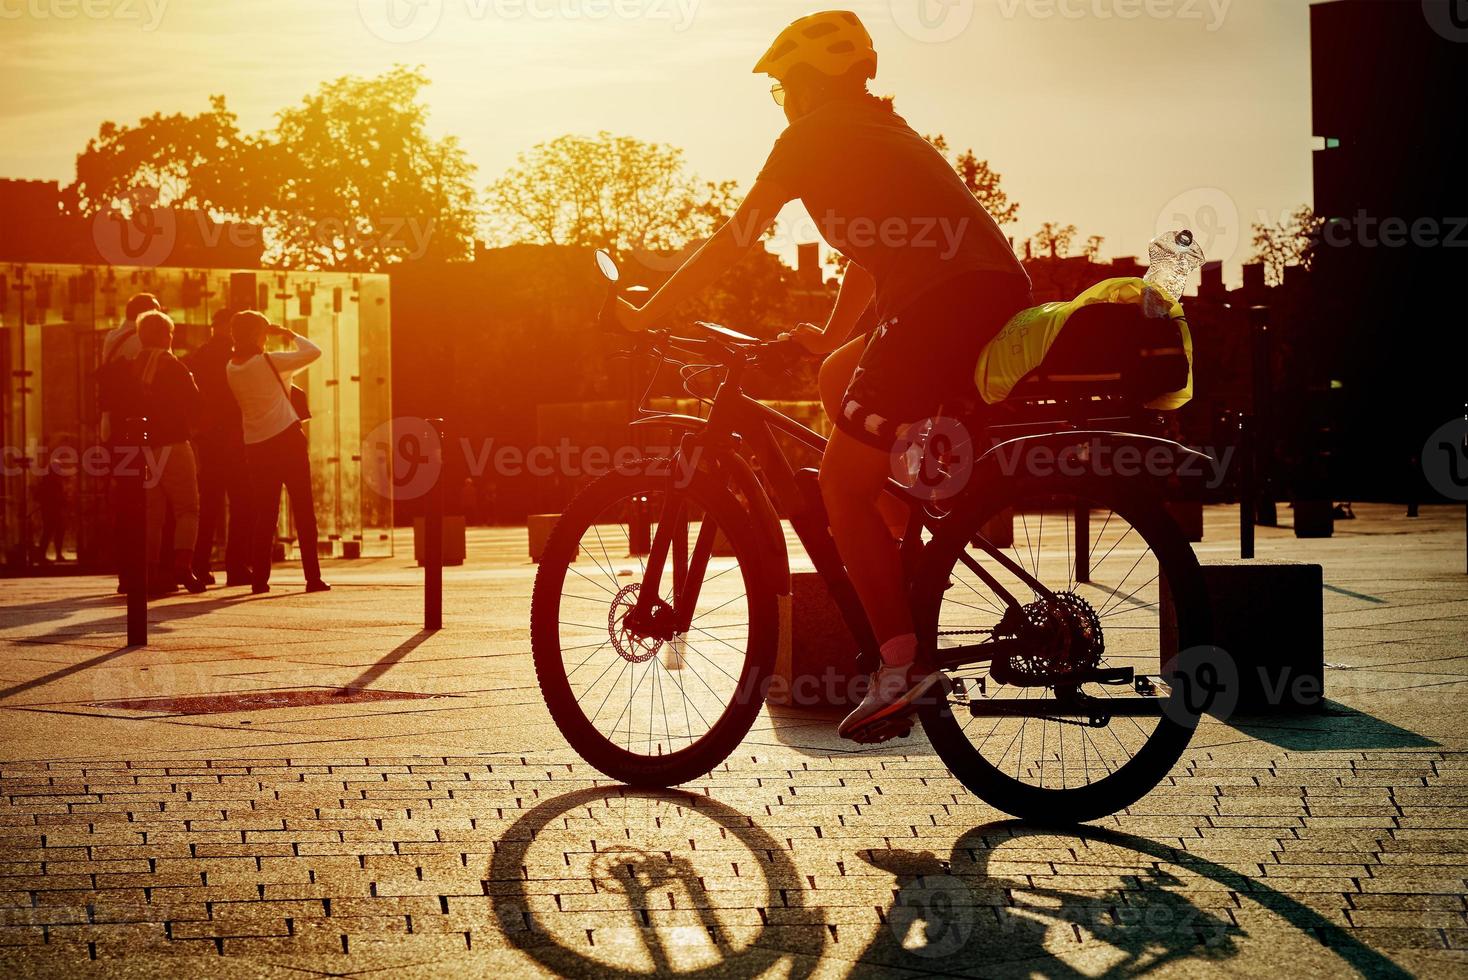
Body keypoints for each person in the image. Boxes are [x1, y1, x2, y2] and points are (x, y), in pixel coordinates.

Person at [612, 10, 1033, 741]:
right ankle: (910, 537)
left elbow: (733, 239)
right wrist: (833, 337)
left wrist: (652, 310)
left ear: (807, 82)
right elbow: (871, 254)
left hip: (944, 304)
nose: (782, 101)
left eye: (782, 87)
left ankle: (901, 665)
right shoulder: (878, 131)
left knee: (839, 484)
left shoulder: (809, 137)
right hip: (976, 292)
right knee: (841, 376)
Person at [226, 310, 330, 595]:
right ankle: (313, 577)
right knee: (304, 511)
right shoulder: (271, 361)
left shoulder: (231, 367)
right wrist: (287, 333)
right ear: (260, 334)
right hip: (287, 440)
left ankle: (260, 580)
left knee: (266, 514)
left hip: (257, 445)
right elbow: (314, 351)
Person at [134, 310, 206, 595]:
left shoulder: (131, 368)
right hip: (174, 443)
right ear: (167, 335)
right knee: (187, 508)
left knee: (153, 513)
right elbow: (197, 403)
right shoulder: (174, 366)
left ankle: (150, 571)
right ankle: (183, 566)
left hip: (143, 448)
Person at [186, 308, 254, 586]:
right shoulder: (239, 357)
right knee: (241, 503)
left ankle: (200, 564)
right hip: (235, 437)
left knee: (209, 505)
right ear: (229, 326)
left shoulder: (198, 356)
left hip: (208, 438)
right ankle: (236, 565)